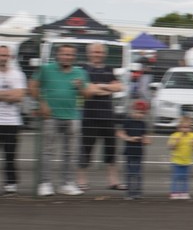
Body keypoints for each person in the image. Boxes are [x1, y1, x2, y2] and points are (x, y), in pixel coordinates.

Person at [30, 43, 87, 196]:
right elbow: (33, 86)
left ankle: (67, 183)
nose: (67, 57)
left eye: (70, 54)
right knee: (48, 151)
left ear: (74, 57)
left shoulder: (80, 73)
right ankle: (45, 183)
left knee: (71, 152)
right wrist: (42, 103)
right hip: (51, 116)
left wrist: (81, 87)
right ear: (58, 55)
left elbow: (87, 95)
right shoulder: (46, 69)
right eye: (64, 54)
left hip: (73, 117)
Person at [78, 42, 124, 192]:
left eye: (100, 52)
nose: (97, 55)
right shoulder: (83, 69)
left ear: (104, 54)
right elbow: (88, 90)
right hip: (89, 115)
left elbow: (119, 87)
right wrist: (106, 87)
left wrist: (99, 87)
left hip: (108, 115)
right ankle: (82, 180)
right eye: (95, 52)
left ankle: (113, 181)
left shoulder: (109, 69)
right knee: (86, 148)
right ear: (89, 53)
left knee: (111, 149)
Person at [0, 43, 24, 194]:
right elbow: (13, 95)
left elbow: (19, 96)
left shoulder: (17, 74)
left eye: (5, 55)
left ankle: (11, 184)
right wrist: (9, 95)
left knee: (10, 155)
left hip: (11, 122)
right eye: (0, 55)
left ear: (10, 57)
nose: (2, 58)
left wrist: (4, 95)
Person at [116, 100, 151, 200]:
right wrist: (130, 138)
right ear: (133, 110)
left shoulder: (143, 124)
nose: (140, 115)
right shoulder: (127, 121)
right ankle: (129, 193)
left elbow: (145, 136)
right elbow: (120, 133)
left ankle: (138, 192)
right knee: (130, 173)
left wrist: (146, 140)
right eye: (138, 112)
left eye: (142, 113)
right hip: (129, 151)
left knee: (138, 173)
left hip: (139, 152)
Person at [166, 114, 193, 200]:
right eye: (183, 127)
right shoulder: (175, 135)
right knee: (176, 177)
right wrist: (175, 142)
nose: (185, 129)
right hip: (176, 161)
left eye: (188, 127)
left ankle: (184, 192)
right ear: (179, 127)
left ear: (191, 128)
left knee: (185, 178)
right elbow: (170, 147)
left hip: (187, 161)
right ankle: (174, 192)